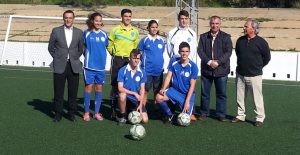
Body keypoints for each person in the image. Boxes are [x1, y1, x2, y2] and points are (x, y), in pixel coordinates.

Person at [231, 18, 271, 127]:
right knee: (240, 97)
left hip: (255, 75)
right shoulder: (240, 40)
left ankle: (259, 118)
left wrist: (257, 67)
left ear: (253, 29)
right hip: (240, 74)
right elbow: (238, 54)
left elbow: (267, 58)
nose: (243, 28)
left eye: (246, 26)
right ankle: (240, 115)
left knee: (257, 98)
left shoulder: (262, 43)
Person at [48, 10, 84, 122]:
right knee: (58, 92)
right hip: (59, 65)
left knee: (73, 92)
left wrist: (74, 58)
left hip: (74, 65)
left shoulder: (79, 32)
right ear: (63, 19)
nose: (68, 20)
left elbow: (81, 49)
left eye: (70, 18)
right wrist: (58, 57)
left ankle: (71, 113)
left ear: (73, 19)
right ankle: (58, 114)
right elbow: (50, 47)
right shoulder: (56, 31)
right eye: (66, 18)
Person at [197, 16, 233, 122]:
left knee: (221, 94)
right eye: (213, 23)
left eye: (217, 23)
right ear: (210, 24)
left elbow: (228, 52)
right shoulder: (203, 37)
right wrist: (209, 62)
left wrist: (218, 62)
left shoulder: (226, 37)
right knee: (205, 93)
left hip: (221, 70)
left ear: (220, 24)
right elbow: (200, 51)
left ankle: (221, 114)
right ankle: (204, 112)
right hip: (207, 70)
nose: (214, 25)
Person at [166, 10, 198, 121]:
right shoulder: (172, 33)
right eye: (182, 18)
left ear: (188, 19)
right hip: (175, 66)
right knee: (173, 87)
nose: (183, 21)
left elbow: (193, 50)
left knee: (188, 88)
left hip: (187, 66)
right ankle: (170, 113)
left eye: (186, 18)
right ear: (179, 19)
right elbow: (169, 50)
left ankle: (190, 111)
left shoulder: (192, 33)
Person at [107, 9, 139, 119]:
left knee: (128, 84)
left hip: (129, 61)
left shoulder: (135, 31)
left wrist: (133, 59)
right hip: (117, 60)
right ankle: (113, 110)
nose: (128, 18)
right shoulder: (115, 30)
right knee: (115, 85)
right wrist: (113, 53)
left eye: (129, 16)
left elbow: (135, 47)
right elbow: (109, 44)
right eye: (126, 16)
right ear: (122, 17)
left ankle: (127, 108)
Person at [156, 42, 198, 125]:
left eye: (186, 51)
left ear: (189, 52)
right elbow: (168, 76)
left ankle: (190, 111)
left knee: (186, 119)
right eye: (182, 51)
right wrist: (163, 89)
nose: (184, 53)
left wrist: (187, 102)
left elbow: (192, 86)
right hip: (175, 91)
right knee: (158, 97)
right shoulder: (174, 61)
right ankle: (170, 115)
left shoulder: (193, 66)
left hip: (186, 94)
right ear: (179, 52)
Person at [82, 12, 108, 121]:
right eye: (96, 20)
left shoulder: (104, 34)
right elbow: (83, 47)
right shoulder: (86, 33)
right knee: (88, 88)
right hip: (89, 67)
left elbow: (105, 46)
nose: (98, 22)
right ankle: (86, 113)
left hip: (101, 67)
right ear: (92, 21)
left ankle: (96, 113)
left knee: (99, 89)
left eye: (100, 21)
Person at [138, 20, 165, 115]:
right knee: (145, 90)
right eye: (152, 27)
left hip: (158, 70)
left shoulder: (161, 40)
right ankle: (142, 108)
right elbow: (139, 53)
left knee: (157, 90)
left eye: (156, 27)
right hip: (147, 70)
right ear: (148, 28)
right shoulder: (144, 40)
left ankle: (156, 107)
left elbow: (161, 53)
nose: (154, 29)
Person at [116, 49, 148, 126]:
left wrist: (140, 105)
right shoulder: (122, 70)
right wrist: (134, 93)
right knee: (122, 95)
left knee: (145, 120)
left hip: (135, 100)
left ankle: (129, 111)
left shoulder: (142, 72)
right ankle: (123, 116)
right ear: (129, 58)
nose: (136, 60)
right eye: (134, 58)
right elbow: (120, 88)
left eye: (138, 58)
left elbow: (142, 89)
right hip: (126, 97)